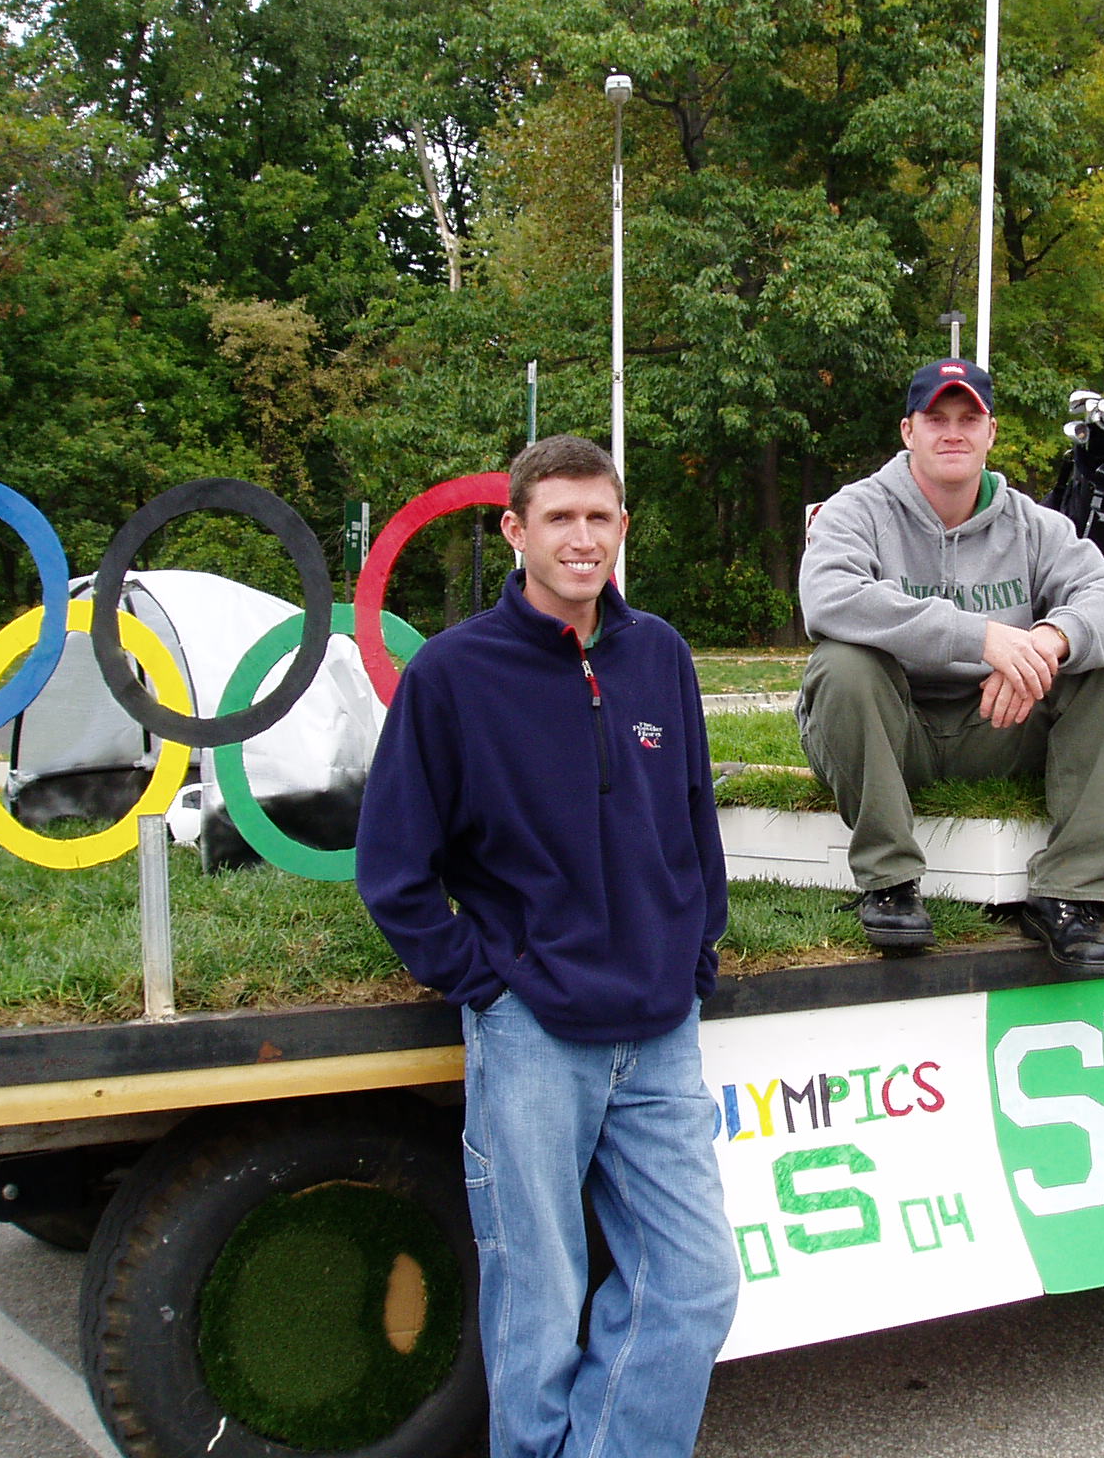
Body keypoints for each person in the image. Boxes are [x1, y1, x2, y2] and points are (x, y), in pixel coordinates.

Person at [357, 435, 738, 1458]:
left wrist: (694, 947)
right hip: (534, 1029)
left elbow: (694, 819)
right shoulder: (452, 676)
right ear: (514, 531)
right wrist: (484, 982)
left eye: (599, 517)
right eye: (559, 518)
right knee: (538, 1293)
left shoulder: (657, 653)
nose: (581, 537)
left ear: (623, 528)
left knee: (695, 1285)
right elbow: (393, 865)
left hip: (658, 1029)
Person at [797, 358, 1104, 973]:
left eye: (969, 418)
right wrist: (980, 636)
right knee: (842, 663)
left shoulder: (1035, 525)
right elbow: (829, 596)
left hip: (997, 726)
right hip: (888, 731)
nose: (952, 432)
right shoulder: (858, 510)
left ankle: (1069, 894)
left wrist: (1048, 640)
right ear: (909, 431)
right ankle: (889, 881)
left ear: (991, 433)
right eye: (936, 418)